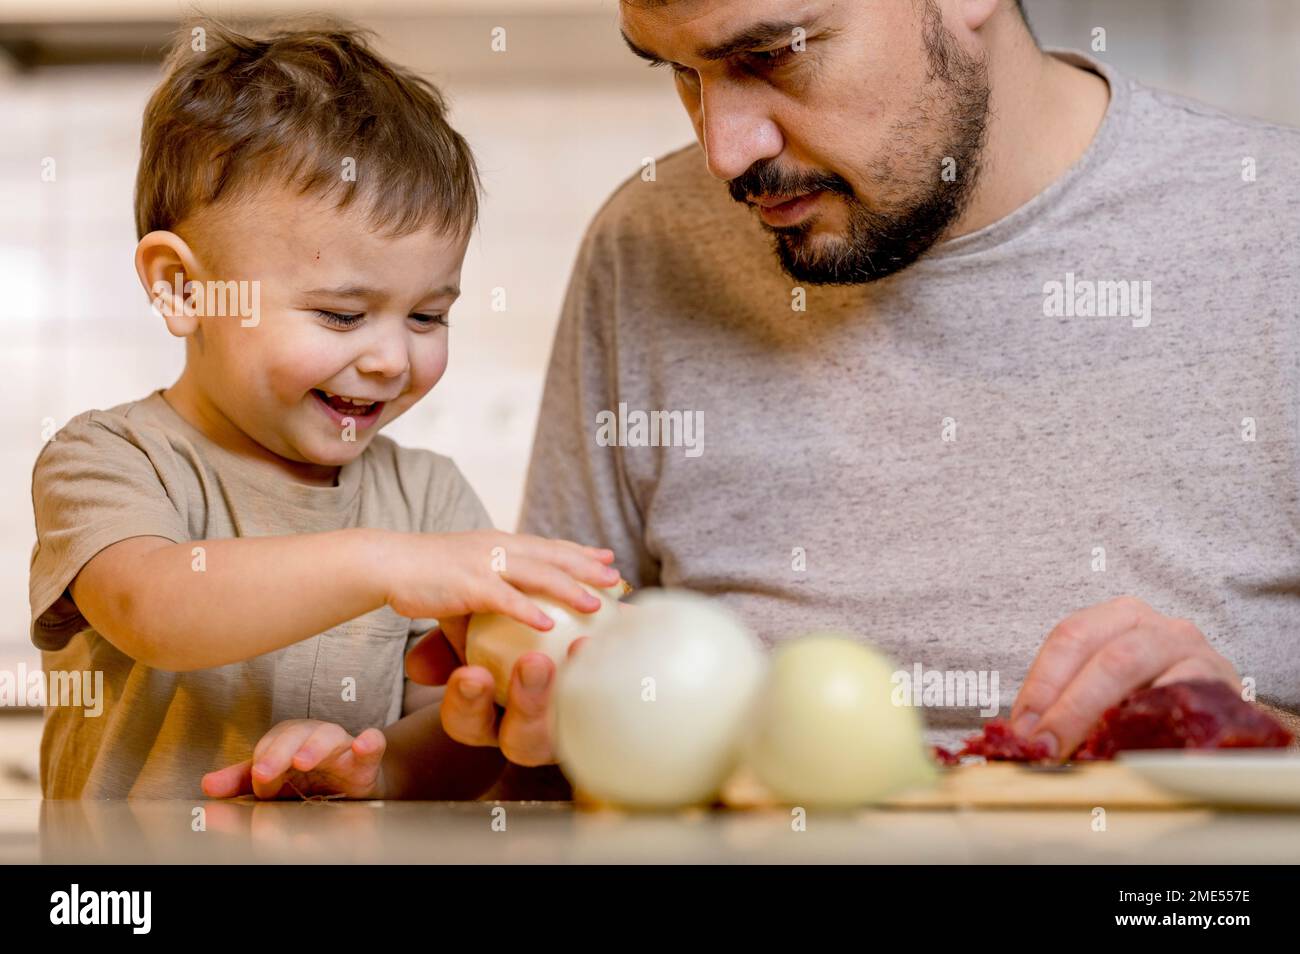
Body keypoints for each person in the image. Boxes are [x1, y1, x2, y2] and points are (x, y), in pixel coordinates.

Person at [413, 0, 1300, 776]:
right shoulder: (646, 247)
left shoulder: (1273, 230)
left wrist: (1255, 746)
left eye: (774, 54)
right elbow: (547, 714)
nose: (726, 151)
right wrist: (519, 742)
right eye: (683, 73)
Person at [28, 19, 619, 799]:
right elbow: (156, 607)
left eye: (428, 316)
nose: (391, 359)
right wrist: (390, 563)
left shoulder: (430, 500)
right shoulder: (108, 458)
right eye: (342, 316)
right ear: (182, 288)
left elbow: (458, 727)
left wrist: (375, 770)